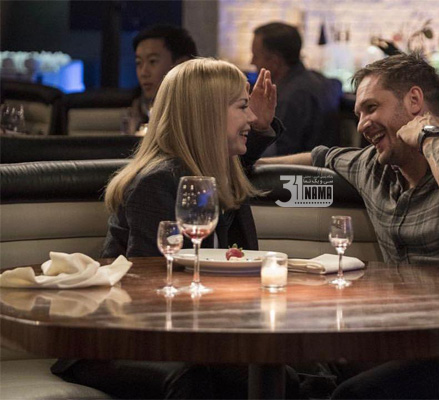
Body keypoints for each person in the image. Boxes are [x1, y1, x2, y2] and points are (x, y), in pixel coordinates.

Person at [260, 53, 439, 399]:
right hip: (406, 343)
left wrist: (428, 136)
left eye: (371, 108)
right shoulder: (375, 168)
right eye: (359, 114)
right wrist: (248, 150)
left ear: (415, 101)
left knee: (358, 396)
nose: (362, 124)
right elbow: (318, 158)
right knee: (291, 372)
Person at [51, 58, 292, 399]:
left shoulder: (209, 171)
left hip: (180, 330)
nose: (251, 117)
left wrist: (260, 127)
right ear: (207, 115)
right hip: (114, 340)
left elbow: (236, 156)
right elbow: (151, 288)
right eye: (242, 107)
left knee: (294, 369)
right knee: (241, 375)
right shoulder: (158, 182)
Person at [251, 21, 342, 155]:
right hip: (328, 164)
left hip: (301, 168)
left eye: (255, 56)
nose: (252, 62)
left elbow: (279, 155)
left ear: (275, 61)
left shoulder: (289, 98)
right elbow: (338, 83)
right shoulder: (324, 82)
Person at [125, 25, 198, 134]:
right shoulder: (136, 113)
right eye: (139, 63)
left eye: (152, 61)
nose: (143, 72)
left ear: (181, 65)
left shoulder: (199, 114)